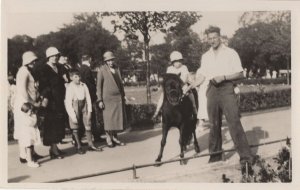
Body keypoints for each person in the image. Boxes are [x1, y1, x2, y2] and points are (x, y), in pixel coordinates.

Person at [184, 26, 255, 168]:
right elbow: (202, 75)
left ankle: (246, 158)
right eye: (209, 38)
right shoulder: (206, 56)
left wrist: (224, 77)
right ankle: (216, 157)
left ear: (220, 37)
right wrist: (191, 85)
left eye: (214, 37)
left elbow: (241, 74)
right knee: (213, 125)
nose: (212, 41)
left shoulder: (230, 53)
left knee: (234, 122)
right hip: (211, 90)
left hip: (227, 88)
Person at [13, 51, 44, 164]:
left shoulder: (26, 71)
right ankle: (28, 157)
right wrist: (33, 103)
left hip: (25, 103)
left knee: (26, 129)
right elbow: (22, 91)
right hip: (24, 104)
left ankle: (26, 155)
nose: (35, 63)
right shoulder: (23, 72)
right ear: (27, 61)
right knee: (27, 130)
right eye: (33, 61)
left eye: (35, 61)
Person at [36, 47, 66, 159]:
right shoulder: (44, 69)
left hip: (59, 99)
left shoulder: (58, 67)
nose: (55, 57)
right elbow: (44, 86)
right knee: (52, 125)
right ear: (48, 57)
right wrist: (46, 98)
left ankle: (55, 148)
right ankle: (54, 150)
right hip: (51, 101)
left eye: (57, 56)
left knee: (59, 124)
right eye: (53, 56)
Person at [65, 69, 102, 154]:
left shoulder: (83, 85)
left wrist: (89, 111)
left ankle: (91, 145)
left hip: (84, 105)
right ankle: (78, 146)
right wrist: (73, 116)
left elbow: (88, 98)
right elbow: (68, 103)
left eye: (79, 76)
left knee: (88, 124)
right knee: (75, 126)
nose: (78, 78)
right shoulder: (70, 87)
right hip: (75, 106)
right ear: (71, 78)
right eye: (76, 77)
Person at [152, 51, 198, 118]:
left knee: (190, 95)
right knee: (162, 96)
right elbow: (167, 79)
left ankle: (195, 110)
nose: (178, 63)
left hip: (182, 85)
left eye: (180, 61)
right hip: (172, 87)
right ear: (172, 62)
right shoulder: (170, 69)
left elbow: (184, 79)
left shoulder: (184, 67)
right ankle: (157, 112)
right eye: (176, 61)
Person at [96, 51, 127, 148]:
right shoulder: (102, 70)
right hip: (107, 99)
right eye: (108, 61)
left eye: (111, 60)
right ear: (105, 61)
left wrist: (124, 95)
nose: (110, 62)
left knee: (116, 120)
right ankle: (108, 139)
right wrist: (100, 100)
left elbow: (120, 84)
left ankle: (115, 137)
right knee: (109, 120)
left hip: (118, 99)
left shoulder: (117, 68)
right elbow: (98, 86)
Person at [78, 55, 104, 142]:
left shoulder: (80, 69)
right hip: (89, 96)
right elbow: (89, 84)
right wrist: (94, 96)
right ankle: (95, 136)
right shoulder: (87, 69)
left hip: (82, 96)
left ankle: (78, 138)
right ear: (90, 59)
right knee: (91, 116)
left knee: (85, 117)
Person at [19, 102, 42, 168]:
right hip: (27, 135)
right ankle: (30, 162)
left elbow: (34, 122)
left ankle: (31, 159)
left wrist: (33, 116)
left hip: (31, 134)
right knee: (29, 147)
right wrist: (34, 117)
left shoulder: (29, 116)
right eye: (30, 111)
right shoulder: (24, 117)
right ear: (25, 111)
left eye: (32, 111)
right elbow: (32, 123)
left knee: (31, 147)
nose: (31, 113)